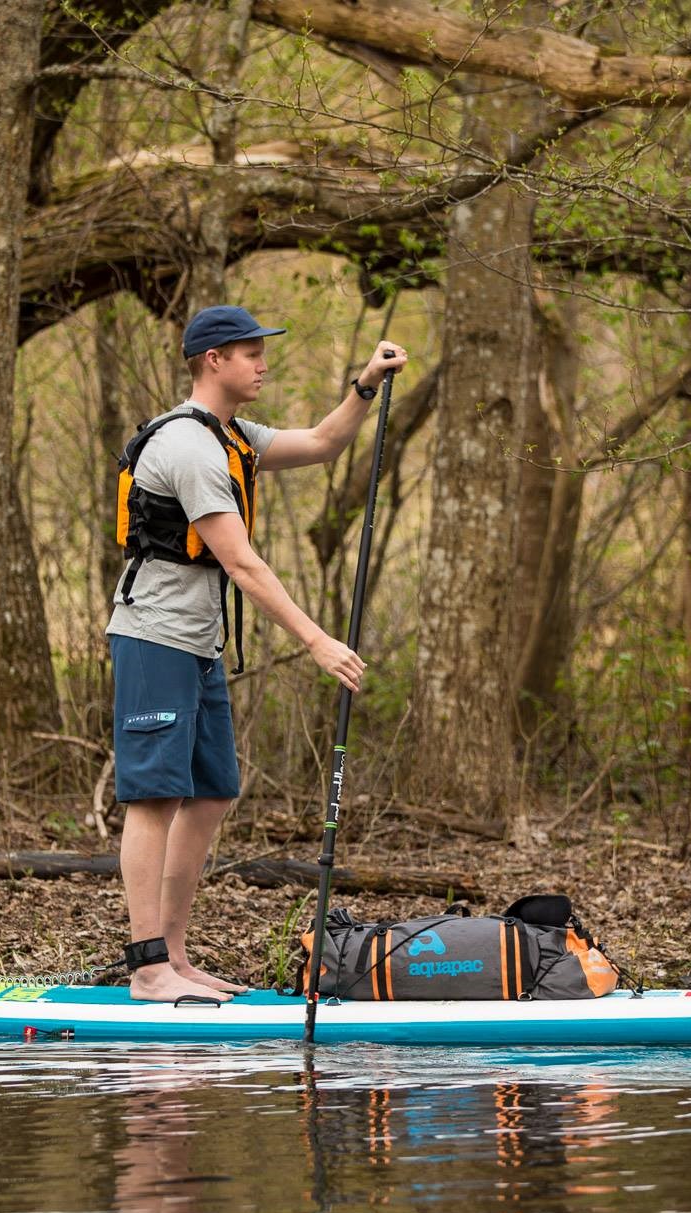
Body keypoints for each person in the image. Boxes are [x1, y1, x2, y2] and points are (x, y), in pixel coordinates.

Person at [109, 304, 408, 1002]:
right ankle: (147, 966)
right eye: (250, 353)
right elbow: (241, 563)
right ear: (213, 360)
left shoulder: (232, 436)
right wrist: (318, 641)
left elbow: (324, 444)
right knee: (154, 797)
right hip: (154, 638)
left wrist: (364, 385)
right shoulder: (188, 449)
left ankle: (175, 958)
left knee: (211, 791)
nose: (262, 363)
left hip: (199, 643)